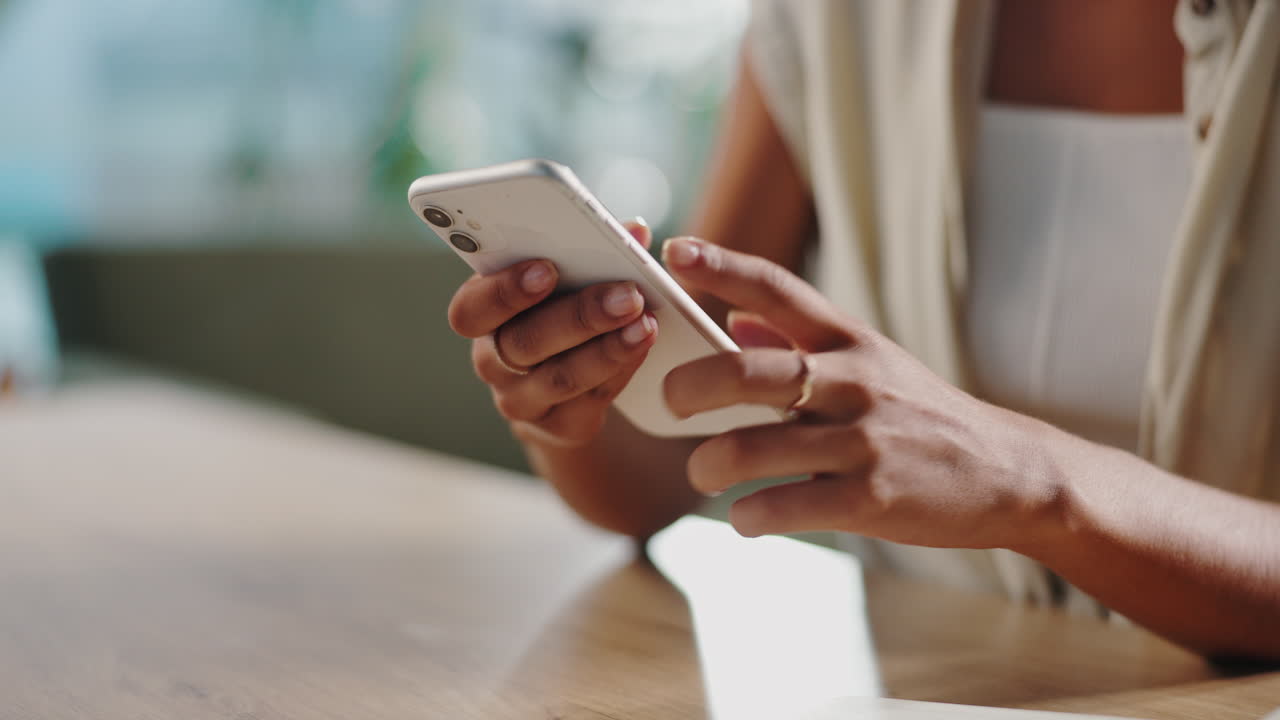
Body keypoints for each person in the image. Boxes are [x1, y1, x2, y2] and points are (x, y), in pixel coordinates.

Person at [446, 0, 1280, 660]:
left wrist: (1034, 485)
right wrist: (571, 399)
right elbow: (669, 466)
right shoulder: (838, 16)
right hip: (934, 688)